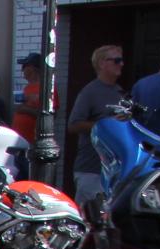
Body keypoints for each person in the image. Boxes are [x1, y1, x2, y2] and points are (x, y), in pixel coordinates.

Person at [66, 45, 126, 203]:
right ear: (102, 63)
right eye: (117, 60)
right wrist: (108, 124)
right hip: (91, 170)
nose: (121, 64)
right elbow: (73, 125)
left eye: (122, 60)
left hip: (115, 170)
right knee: (91, 215)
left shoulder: (120, 92)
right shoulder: (90, 92)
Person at [11, 53, 44, 142]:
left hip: (32, 141)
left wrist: (25, 109)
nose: (22, 70)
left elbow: (50, 116)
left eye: (24, 67)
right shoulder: (27, 88)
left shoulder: (46, 89)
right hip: (19, 139)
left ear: (31, 68)